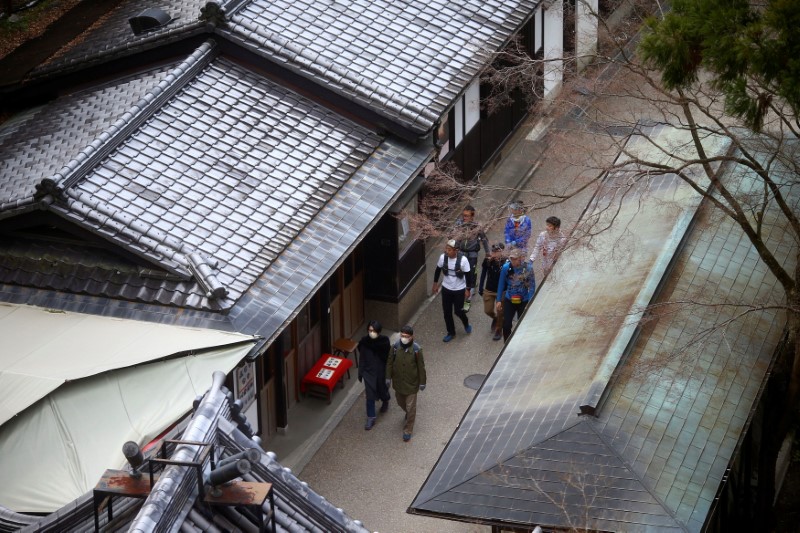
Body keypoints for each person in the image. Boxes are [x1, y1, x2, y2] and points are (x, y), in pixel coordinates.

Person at [385, 325, 426, 442]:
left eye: (406, 336)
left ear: (412, 337)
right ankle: (408, 414)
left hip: (412, 384)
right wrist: (388, 377)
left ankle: (408, 429)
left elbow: (421, 367)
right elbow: (389, 362)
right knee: (400, 402)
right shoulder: (395, 347)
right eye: (402, 335)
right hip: (398, 383)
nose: (403, 338)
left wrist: (422, 382)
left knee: (410, 407)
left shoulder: (417, 350)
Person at [432, 239, 473, 342]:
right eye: (446, 249)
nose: (447, 251)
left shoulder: (463, 260)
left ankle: (466, 323)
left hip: (459, 289)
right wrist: (435, 284)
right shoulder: (443, 258)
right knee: (447, 312)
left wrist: (468, 289)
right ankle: (451, 332)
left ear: (456, 250)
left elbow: (469, 276)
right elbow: (437, 270)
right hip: (446, 288)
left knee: (458, 311)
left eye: (449, 249)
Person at [357, 320, 391, 430]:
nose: (371, 332)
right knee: (370, 395)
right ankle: (371, 417)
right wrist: (361, 372)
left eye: (374, 331)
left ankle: (385, 400)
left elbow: (389, 358)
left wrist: (388, 374)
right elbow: (362, 358)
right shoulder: (364, 342)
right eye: (370, 330)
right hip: (369, 373)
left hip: (381, 371)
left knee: (382, 389)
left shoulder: (384, 342)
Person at [495, 248, 536, 341]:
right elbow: (501, 284)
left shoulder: (528, 268)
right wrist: (498, 300)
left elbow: (532, 286)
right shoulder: (506, 268)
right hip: (509, 299)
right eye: (511, 259)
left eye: (515, 259)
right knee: (506, 325)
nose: (513, 261)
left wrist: (530, 301)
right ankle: (506, 343)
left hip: (523, 299)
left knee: (522, 325)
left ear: (521, 258)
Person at [454, 205, 489, 312]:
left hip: (472, 254)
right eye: (463, 215)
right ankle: (461, 292)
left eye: (467, 216)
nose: (464, 218)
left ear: (472, 217)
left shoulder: (477, 227)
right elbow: (452, 236)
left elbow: (484, 239)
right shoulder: (458, 225)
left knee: (471, 275)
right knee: (459, 273)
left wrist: (488, 252)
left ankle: (467, 300)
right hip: (460, 253)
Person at [479, 243, 506, 341]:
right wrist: (481, 286)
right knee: (488, 310)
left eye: (496, 252)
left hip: (501, 290)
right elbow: (483, 273)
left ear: (501, 252)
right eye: (492, 252)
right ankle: (494, 318)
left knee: (500, 312)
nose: (493, 254)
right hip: (489, 289)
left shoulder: (505, 262)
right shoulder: (488, 261)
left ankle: (499, 329)